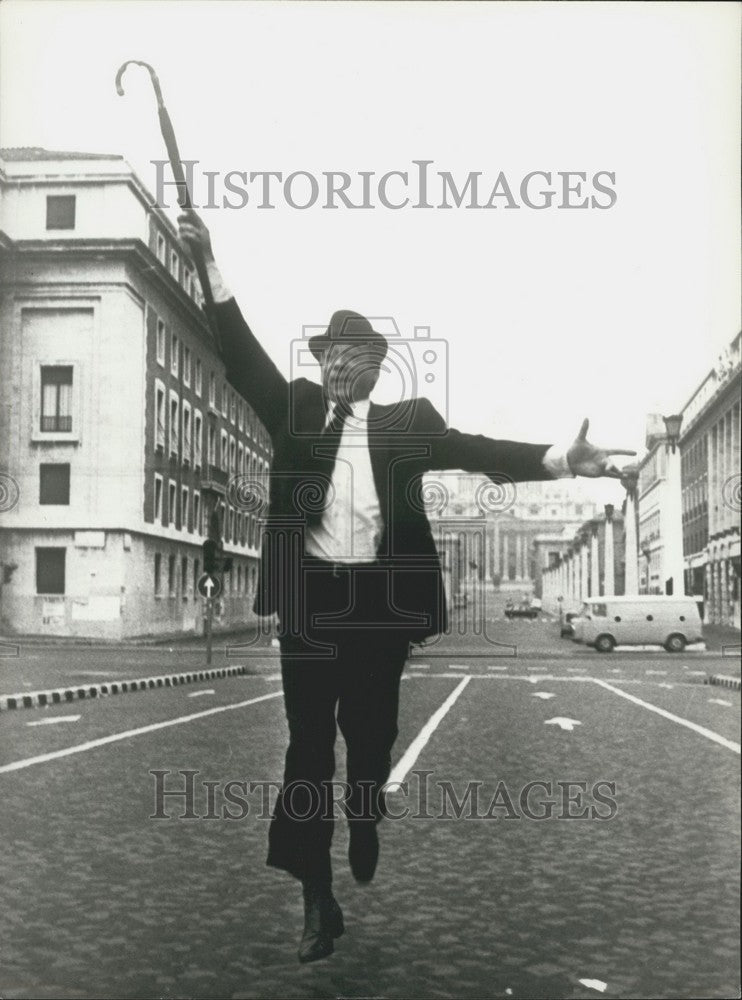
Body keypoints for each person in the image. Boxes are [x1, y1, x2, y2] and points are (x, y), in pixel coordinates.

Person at [178, 210, 636, 963]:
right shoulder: (292, 407)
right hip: (312, 603)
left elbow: (475, 448)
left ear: (372, 365)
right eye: (324, 353)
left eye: (346, 355)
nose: (331, 365)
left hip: (378, 608)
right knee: (304, 752)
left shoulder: (404, 422)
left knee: (371, 737)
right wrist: (212, 268)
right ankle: (316, 898)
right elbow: (242, 357)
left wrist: (561, 456)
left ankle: (365, 808)